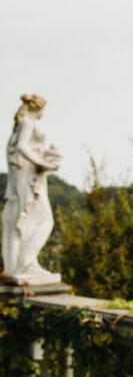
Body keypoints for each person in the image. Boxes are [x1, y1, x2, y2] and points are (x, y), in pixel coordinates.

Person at [2, 94, 62, 284]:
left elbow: (30, 147)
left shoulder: (21, 123)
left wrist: (49, 154)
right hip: (29, 177)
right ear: (39, 108)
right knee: (44, 220)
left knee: (24, 221)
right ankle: (28, 262)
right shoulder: (28, 122)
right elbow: (22, 147)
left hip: (27, 175)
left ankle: (21, 264)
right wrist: (43, 163)